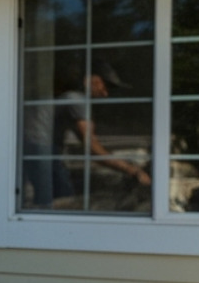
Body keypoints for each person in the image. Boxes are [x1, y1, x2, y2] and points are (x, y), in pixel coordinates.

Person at [23, 62, 149, 209]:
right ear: (89, 80)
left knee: (55, 198)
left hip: (36, 146)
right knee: (59, 201)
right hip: (40, 148)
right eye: (104, 86)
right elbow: (92, 149)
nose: (106, 94)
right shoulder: (78, 100)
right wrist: (132, 170)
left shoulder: (69, 97)